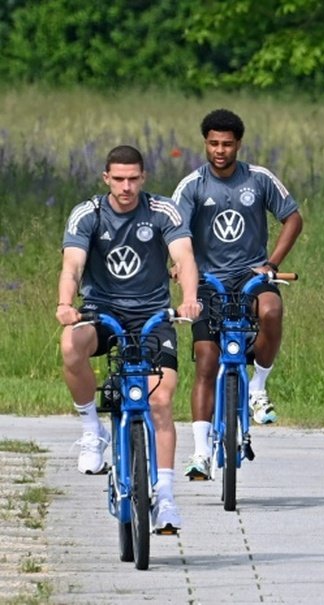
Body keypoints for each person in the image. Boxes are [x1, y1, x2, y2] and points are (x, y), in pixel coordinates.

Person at [57, 145, 201, 534]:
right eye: (118, 179)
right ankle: (92, 430)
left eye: (133, 178)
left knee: (160, 400)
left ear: (144, 177)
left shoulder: (161, 210)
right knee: (71, 344)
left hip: (153, 316)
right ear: (106, 178)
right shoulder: (88, 213)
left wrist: (189, 299)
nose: (126, 186)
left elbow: (184, 257)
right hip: (101, 312)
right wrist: (66, 304)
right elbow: (73, 265)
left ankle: (166, 497)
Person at [172, 108, 303, 481]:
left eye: (227, 144)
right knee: (205, 359)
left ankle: (257, 389)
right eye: (213, 143)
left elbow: (292, 217)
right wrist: (181, 266)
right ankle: (200, 454)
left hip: (251, 276)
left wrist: (272, 264)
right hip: (208, 282)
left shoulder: (259, 179)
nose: (220, 150)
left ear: (238, 145)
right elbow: (175, 233)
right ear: (205, 144)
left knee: (272, 309)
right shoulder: (192, 185)